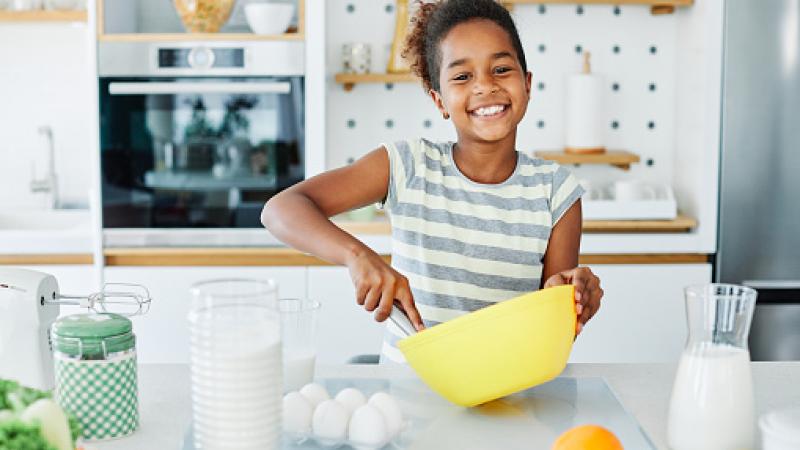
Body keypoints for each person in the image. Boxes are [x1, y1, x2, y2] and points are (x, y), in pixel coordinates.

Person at [262, 0, 603, 364]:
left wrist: (569, 301)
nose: (485, 86)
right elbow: (280, 210)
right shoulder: (408, 166)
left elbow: (552, 335)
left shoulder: (556, 191)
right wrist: (358, 256)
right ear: (439, 100)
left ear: (527, 84)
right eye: (462, 76)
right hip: (408, 400)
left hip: (510, 400)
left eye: (501, 69)